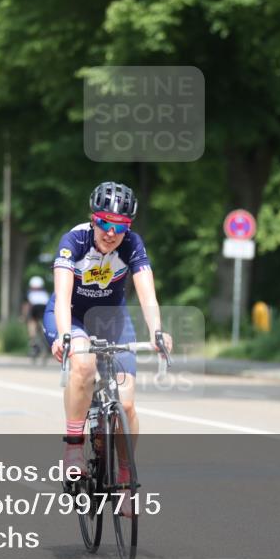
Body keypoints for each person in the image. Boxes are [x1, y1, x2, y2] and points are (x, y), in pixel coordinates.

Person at [44, 181, 172, 499]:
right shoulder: (74, 240)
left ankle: (127, 477)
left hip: (112, 319)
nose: (111, 233)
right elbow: (61, 298)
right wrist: (64, 336)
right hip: (71, 316)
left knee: (126, 403)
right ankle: (73, 449)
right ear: (93, 218)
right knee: (84, 366)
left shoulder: (132, 245)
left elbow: (147, 294)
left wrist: (157, 331)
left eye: (121, 226)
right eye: (104, 222)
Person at [21, 276, 50, 361]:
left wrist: (24, 316)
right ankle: (44, 337)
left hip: (34, 308)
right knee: (41, 323)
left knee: (31, 322)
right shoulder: (45, 292)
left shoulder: (29, 292)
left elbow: (26, 306)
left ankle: (33, 341)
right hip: (44, 307)